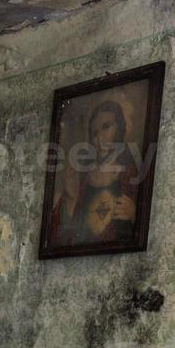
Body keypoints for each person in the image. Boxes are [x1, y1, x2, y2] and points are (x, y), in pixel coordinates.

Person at [49, 97, 141, 246]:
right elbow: (60, 237)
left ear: (120, 128)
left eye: (106, 127)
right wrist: (71, 199)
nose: (99, 139)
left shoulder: (131, 174)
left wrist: (134, 213)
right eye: (94, 133)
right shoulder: (84, 179)